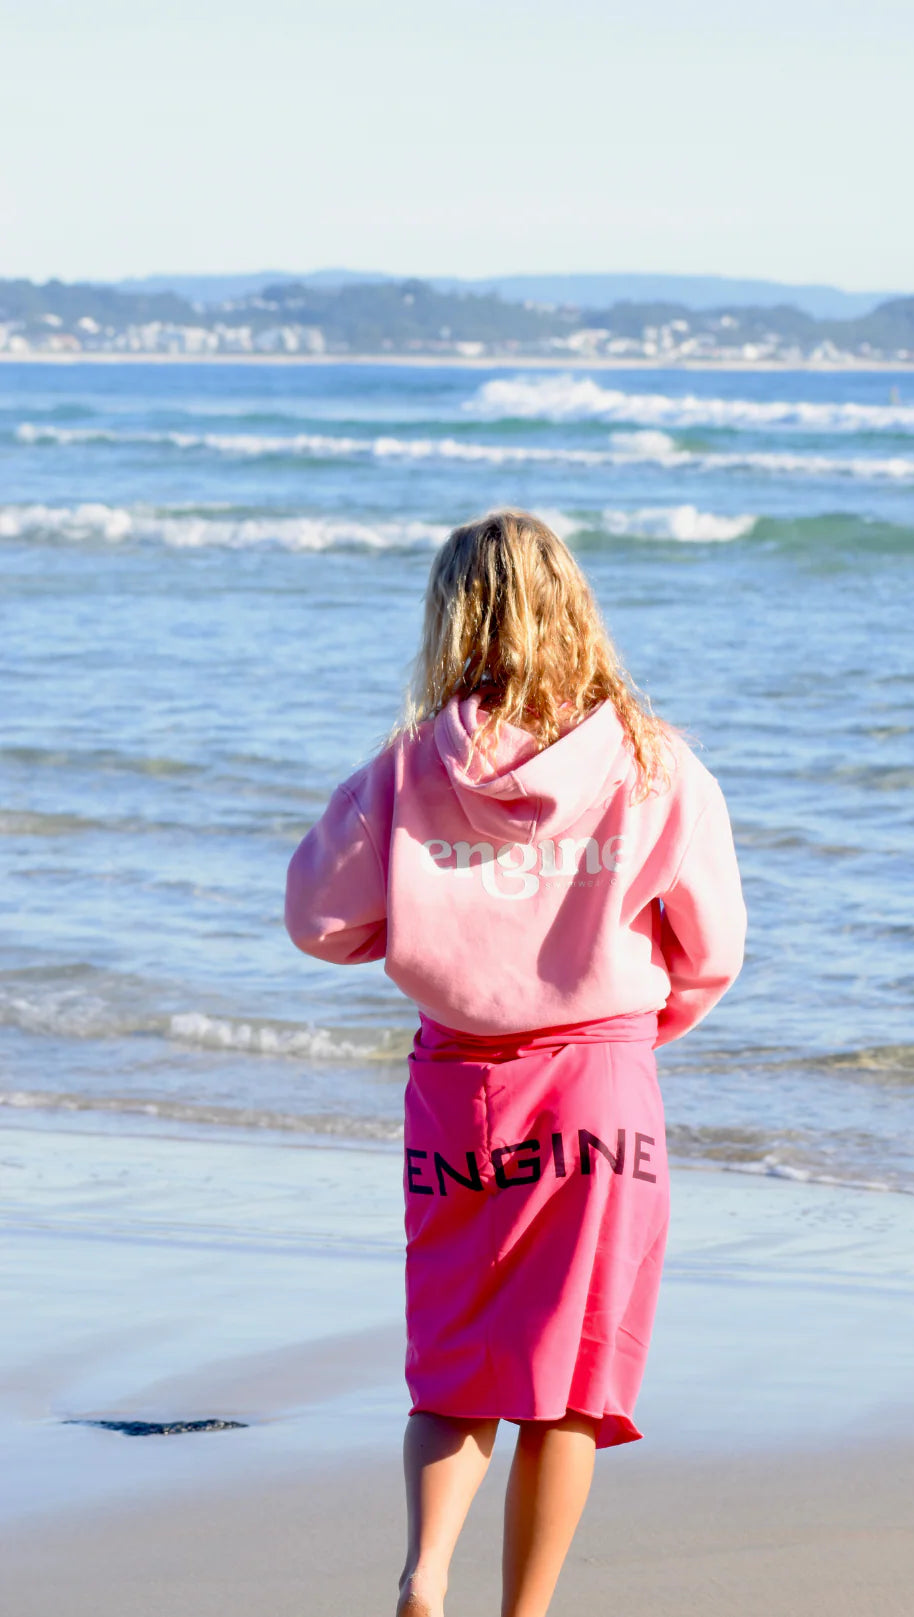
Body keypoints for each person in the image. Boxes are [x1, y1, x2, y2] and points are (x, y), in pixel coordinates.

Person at [283, 508, 747, 1617]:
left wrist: (421, 917)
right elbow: (712, 949)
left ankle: (424, 1572)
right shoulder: (651, 762)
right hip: (598, 1085)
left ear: (452, 620)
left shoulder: (404, 770)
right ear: (575, 605)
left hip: (459, 1089)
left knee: (456, 1351)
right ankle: (524, 1614)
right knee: (567, 1376)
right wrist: (636, 1030)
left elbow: (318, 920)